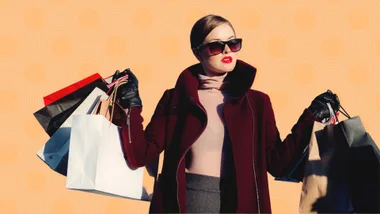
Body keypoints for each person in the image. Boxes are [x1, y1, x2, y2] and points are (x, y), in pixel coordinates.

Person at [113, 14, 340, 213]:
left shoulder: (257, 103)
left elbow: (278, 163)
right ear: (197, 52)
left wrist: (311, 117)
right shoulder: (176, 99)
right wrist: (131, 104)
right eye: (215, 46)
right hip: (186, 203)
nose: (226, 51)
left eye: (233, 43)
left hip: (241, 205)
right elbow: (139, 154)